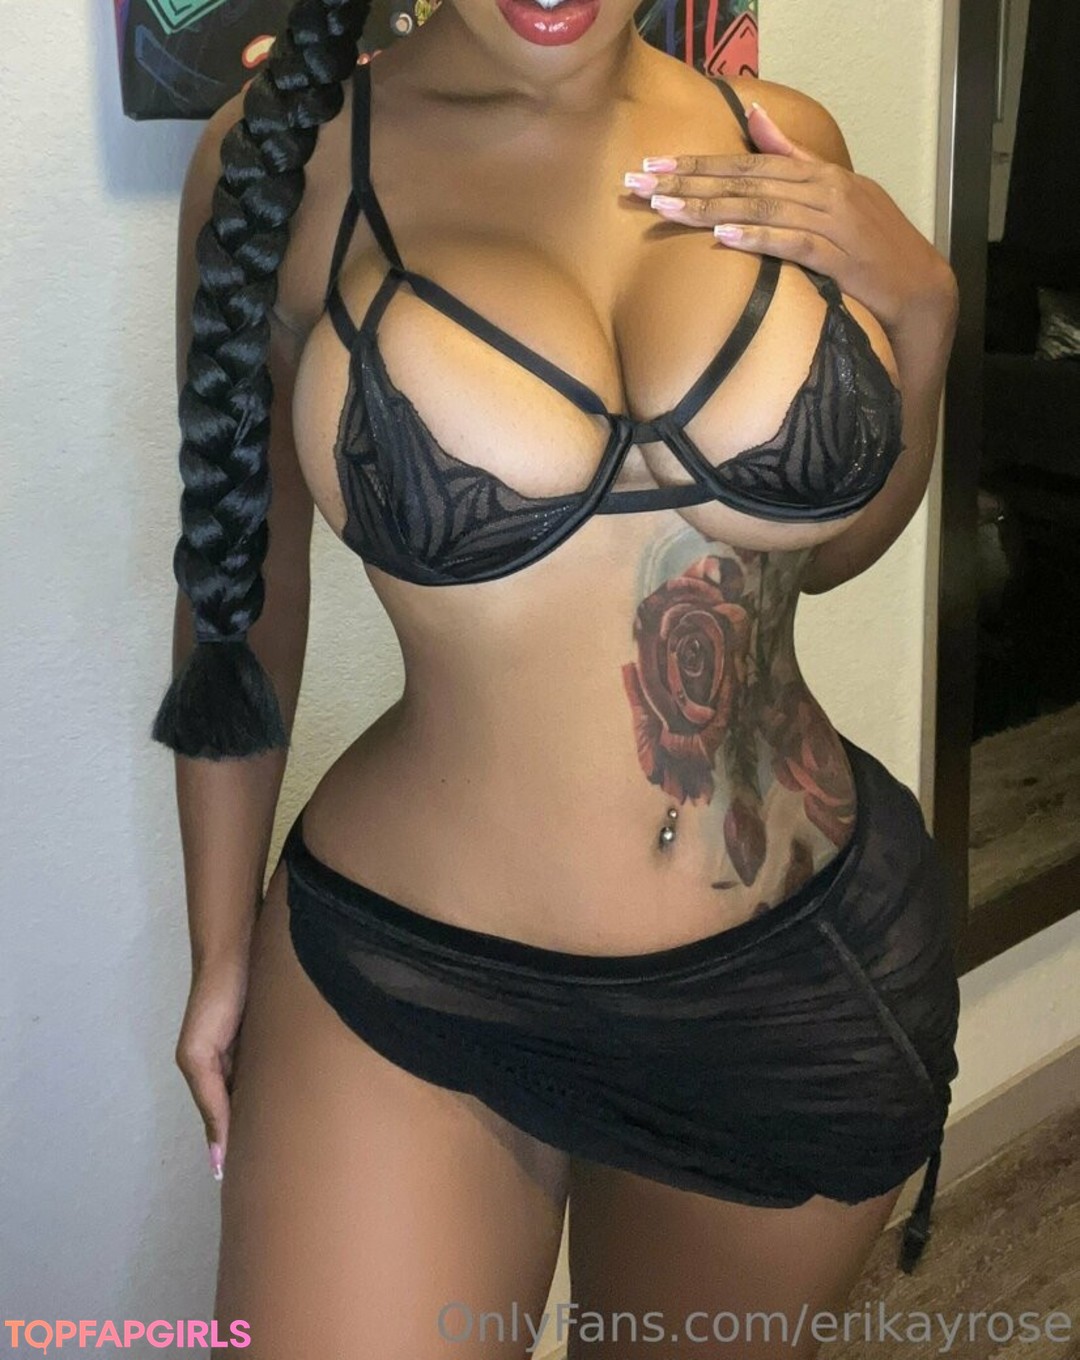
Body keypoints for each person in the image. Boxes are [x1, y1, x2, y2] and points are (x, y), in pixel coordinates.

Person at [151, 0, 961, 1353]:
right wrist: (217, 944)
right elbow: (241, 592)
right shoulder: (288, 164)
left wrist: (923, 316)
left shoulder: (779, 141)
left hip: (798, 970)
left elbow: (825, 559)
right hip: (411, 978)